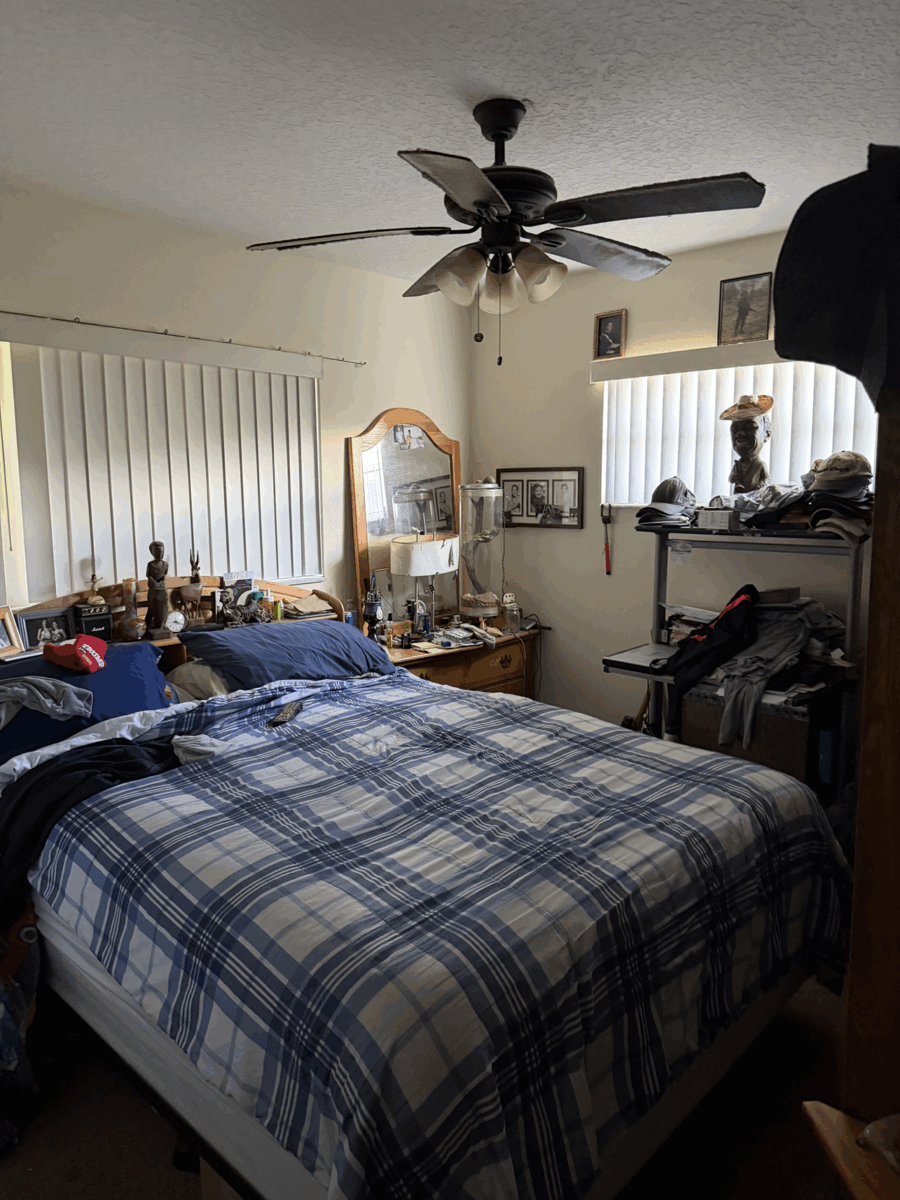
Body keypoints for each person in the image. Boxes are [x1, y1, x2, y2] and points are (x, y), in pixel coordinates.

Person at [719, 394, 774, 493]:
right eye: (735, 429)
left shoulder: (760, 465)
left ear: (767, 434)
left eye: (750, 427)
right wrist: (733, 477)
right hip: (738, 497)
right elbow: (731, 479)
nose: (740, 433)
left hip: (755, 498)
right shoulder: (738, 465)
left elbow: (766, 479)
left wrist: (761, 485)